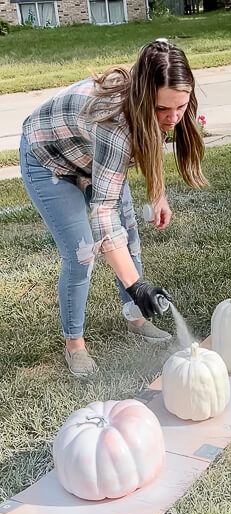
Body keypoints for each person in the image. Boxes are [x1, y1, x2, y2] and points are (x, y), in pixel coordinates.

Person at [19, 39, 207, 378]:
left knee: (129, 233)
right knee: (82, 254)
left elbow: (152, 141)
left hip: (92, 158)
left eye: (181, 106)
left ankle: (135, 318)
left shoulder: (161, 106)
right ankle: (74, 344)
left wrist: (158, 193)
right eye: (164, 109)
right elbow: (103, 213)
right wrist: (138, 286)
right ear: (144, 96)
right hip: (48, 160)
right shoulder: (114, 125)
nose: (174, 117)